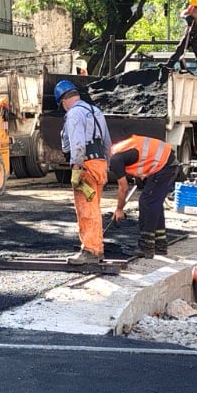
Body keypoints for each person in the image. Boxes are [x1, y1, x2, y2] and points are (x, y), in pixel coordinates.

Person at [56, 79, 111, 265]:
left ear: (64, 101)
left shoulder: (74, 114)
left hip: (86, 164)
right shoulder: (96, 111)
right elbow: (107, 143)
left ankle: (90, 251)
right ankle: (97, 248)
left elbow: (77, 144)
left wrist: (76, 168)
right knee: (94, 207)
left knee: (86, 209)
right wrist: (106, 165)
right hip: (100, 163)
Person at [108, 133, 178, 258]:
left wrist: (119, 209)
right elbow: (141, 159)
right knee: (154, 204)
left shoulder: (115, 159)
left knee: (147, 203)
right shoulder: (120, 149)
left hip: (164, 166)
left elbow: (123, 187)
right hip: (168, 163)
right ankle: (160, 244)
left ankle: (146, 247)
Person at [167, 0, 197, 77]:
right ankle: (168, 66)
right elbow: (182, 13)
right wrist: (185, 17)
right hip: (188, 33)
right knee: (179, 49)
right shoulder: (191, 7)